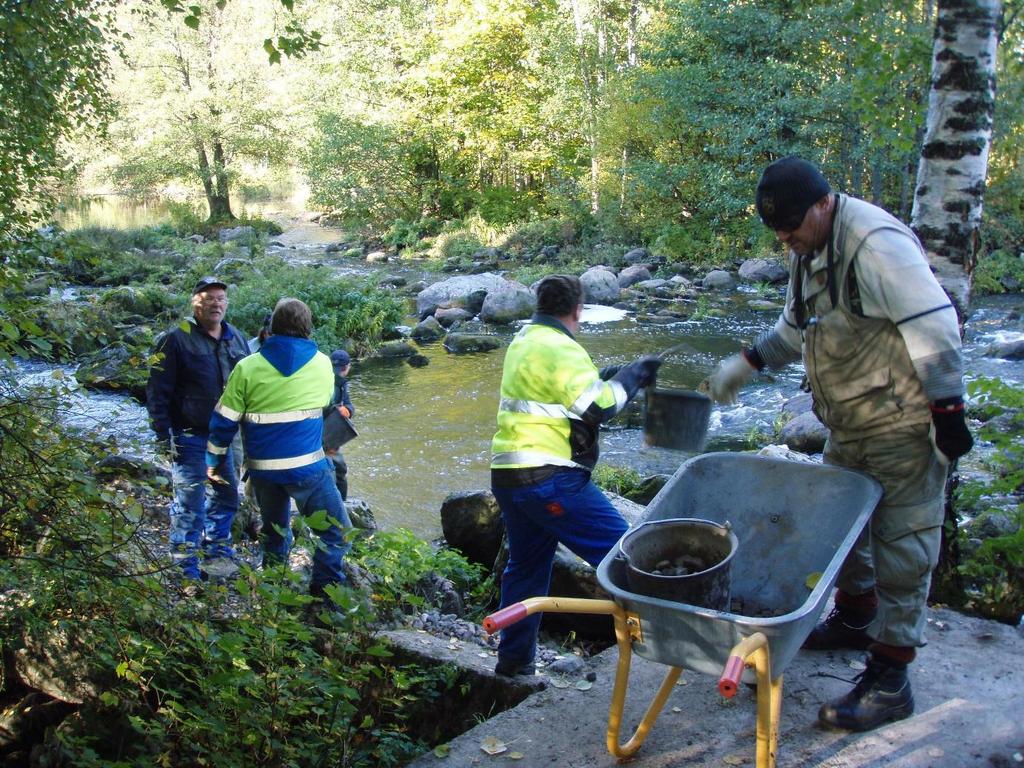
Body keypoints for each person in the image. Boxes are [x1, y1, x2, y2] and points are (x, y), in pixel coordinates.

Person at [707, 156, 974, 731]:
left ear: (824, 203)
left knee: (903, 550)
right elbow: (793, 329)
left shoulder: (876, 244)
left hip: (902, 426)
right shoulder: (808, 252)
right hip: (850, 426)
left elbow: (936, 324)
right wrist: (747, 363)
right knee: (841, 532)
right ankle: (855, 619)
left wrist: (948, 411)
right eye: (777, 231)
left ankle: (891, 676)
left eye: (792, 226)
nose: (785, 239)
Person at [489, 274, 662, 677]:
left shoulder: (524, 340)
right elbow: (596, 407)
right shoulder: (563, 348)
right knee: (624, 556)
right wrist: (631, 378)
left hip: (509, 475)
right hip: (549, 478)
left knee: (526, 568)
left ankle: (513, 662)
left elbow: (554, 394)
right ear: (577, 310)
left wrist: (608, 375)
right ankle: (682, 641)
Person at [205, 297, 353, 606]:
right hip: (307, 469)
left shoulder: (247, 367)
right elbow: (326, 400)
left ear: (272, 327)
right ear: (308, 328)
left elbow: (222, 422)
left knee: (274, 533)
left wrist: (214, 461)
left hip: (262, 471)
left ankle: (272, 594)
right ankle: (325, 596)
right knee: (337, 532)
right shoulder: (323, 364)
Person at [146, 276, 251, 581]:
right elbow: (157, 389)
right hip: (188, 433)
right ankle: (184, 567)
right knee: (189, 501)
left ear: (226, 304)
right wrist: (161, 434)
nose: (215, 304)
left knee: (227, 494)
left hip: (225, 435)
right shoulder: (176, 338)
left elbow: (248, 386)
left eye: (220, 299)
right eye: (208, 299)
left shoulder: (237, 338)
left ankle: (216, 546)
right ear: (195, 304)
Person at [325, 349, 355, 500]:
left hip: (332, 432)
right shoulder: (327, 381)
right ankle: (339, 506)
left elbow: (349, 405)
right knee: (337, 469)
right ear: (348, 367)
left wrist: (347, 410)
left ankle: (341, 503)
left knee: (339, 470)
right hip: (325, 433)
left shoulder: (342, 384)